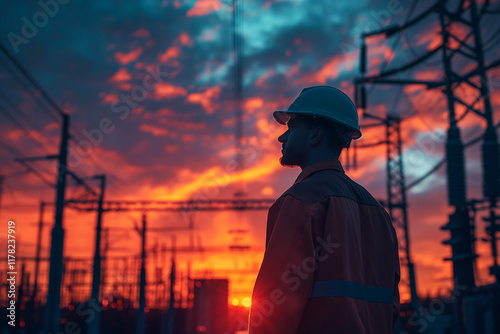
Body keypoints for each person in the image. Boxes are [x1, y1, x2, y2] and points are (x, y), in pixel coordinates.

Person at [249, 86, 400, 333]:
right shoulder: (379, 215)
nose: (282, 138)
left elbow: (272, 307)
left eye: (292, 127)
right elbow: (391, 307)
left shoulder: (301, 202)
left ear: (315, 135)